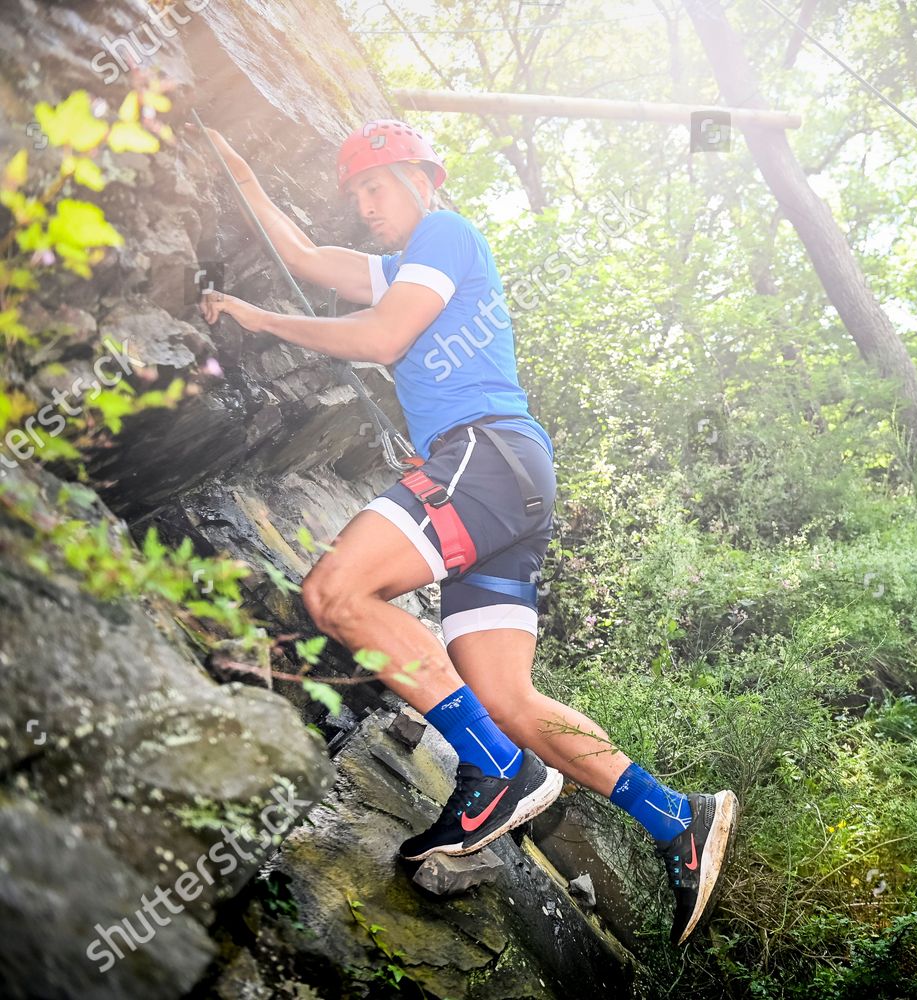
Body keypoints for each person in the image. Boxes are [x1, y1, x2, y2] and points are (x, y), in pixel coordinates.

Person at [194, 120, 737, 943]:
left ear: (424, 179)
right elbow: (305, 257)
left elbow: (381, 339)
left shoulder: (445, 233)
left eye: (377, 187)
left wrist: (263, 322)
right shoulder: (403, 266)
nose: (365, 205)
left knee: (337, 592)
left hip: (481, 454)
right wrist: (235, 160)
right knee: (504, 694)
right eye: (358, 194)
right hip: (512, 476)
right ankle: (677, 819)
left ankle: (498, 770)